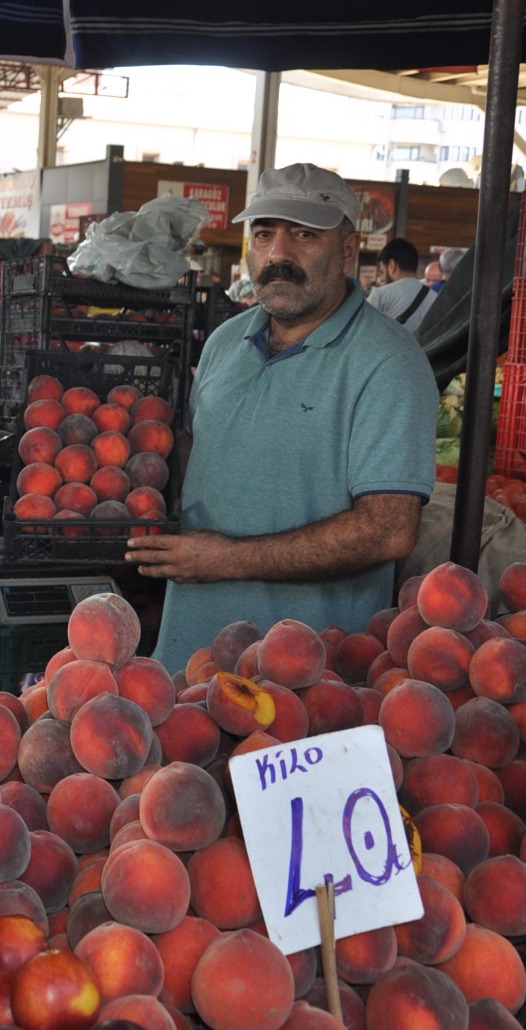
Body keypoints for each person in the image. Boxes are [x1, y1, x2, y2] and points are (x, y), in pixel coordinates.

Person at [125, 163, 437, 673]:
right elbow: (199, 459)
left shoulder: (388, 362)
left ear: (349, 250)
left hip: (304, 680)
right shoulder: (226, 342)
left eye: (305, 235)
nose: (278, 255)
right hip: (188, 664)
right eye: (264, 234)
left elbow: (388, 530)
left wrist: (225, 560)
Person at [366, 237, 437, 333]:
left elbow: (362, 332)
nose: (382, 279)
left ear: (392, 265)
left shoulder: (381, 294)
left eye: (382, 272)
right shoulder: (434, 297)